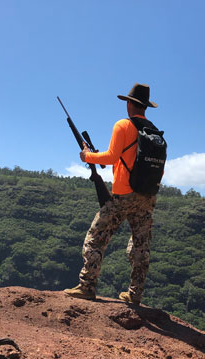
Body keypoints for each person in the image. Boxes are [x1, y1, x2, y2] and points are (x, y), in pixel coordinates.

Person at [64, 83, 160, 305]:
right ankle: (134, 295)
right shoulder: (154, 132)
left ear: (129, 104)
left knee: (95, 238)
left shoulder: (123, 125)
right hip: (147, 196)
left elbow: (111, 157)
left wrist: (87, 156)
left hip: (123, 195)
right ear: (145, 107)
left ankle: (87, 287)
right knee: (140, 245)